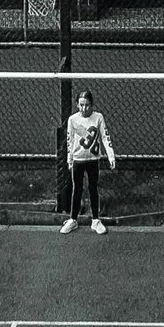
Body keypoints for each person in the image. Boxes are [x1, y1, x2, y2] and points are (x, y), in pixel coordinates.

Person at [60, 85, 117, 234]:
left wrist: (110, 155)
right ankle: (73, 219)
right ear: (77, 104)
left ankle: (95, 220)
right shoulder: (72, 120)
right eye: (81, 105)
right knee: (76, 188)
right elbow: (70, 140)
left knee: (93, 188)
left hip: (93, 159)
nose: (84, 109)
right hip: (78, 159)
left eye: (87, 105)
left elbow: (105, 137)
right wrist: (69, 159)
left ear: (92, 105)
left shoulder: (98, 117)